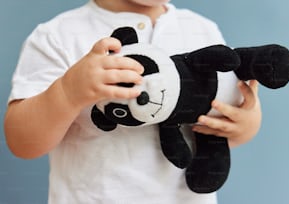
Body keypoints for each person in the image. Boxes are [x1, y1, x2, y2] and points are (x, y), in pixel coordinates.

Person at [4, 0, 262, 203]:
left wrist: (245, 126)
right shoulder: (58, 35)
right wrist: (67, 92)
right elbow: (23, 143)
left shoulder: (203, 29)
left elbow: (218, 125)